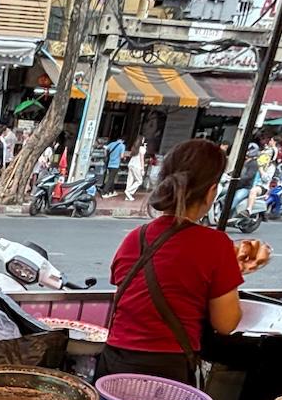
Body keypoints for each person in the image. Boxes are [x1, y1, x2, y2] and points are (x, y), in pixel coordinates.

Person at [100, 140, 269, 386]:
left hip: (114, 365)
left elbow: (133, 300)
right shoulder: (216, 245)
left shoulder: (135, 237)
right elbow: (226, 323)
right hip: (166, 374)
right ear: (212, 191)